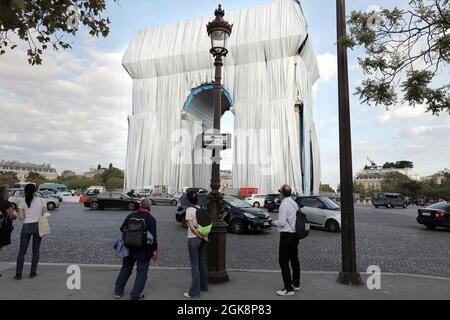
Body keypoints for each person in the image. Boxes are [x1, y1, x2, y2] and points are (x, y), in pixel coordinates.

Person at [115, 198, 158, 300]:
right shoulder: (151, 219)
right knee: (142, 272)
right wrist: (154, 250)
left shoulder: (131, 215)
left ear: (140, 206)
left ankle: (118, 291)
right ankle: (135, 295)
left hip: (129, 247)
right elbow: (153, 237)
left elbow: (122, 228)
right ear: (149, 207)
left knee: (126, 268)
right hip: (143, 250)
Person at [15, 184, 48, 280]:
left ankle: (18, 274)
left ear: (25, 191)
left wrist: (25, 217)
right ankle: (33, 272)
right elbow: (45, 214)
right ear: (35, 191)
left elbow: (21, 217)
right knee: (36, 250)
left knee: (22, 251)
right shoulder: (42, 200)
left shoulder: (22, 201)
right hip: (38, 225)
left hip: (26, 225)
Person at [273, 185, 300, 296]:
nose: (279, 194)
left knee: (283, 261)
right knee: (294, 260)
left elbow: (282, 223)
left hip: (286, 236)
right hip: (295, 235)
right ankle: (296, 284)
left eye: (280, 192)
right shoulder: (294, 203)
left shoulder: (284, 204)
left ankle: (288, 288)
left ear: (283, 194)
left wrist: (274, 222)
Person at [184, 190, 208, 299]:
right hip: (203, 238)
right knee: (201, 263)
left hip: (194, 239)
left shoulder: (189, 210)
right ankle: (203, 286)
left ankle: (194, 292)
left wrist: (199, 235)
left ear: (189, 200)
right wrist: (204, 236)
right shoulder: (201, 208)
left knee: (194, 265)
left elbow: (191, 227)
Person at [0, 185, 17, 278]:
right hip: (2, 229)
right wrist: (15, 215)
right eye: (8, 191)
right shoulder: (6, 203)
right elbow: (12, 216)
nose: (9, 192)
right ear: (4, 193)